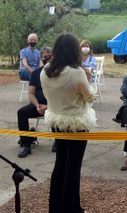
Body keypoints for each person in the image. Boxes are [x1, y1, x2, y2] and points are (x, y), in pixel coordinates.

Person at [41, 34, 96, 213]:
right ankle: (71, 208)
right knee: (73, 168)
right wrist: (87, 78)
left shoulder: (45, 70)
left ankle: (55, 207)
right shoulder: (77, 72)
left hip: (56, 121)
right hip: (77, 124)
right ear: (75, 50)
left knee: (60, 164)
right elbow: (90, 98)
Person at [17, 47, 53, 158]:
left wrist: (48, 107)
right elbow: (31, 94)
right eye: (44, 57)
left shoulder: (59, 73)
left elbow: (62, 96)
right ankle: (26, 144)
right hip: (39, 106)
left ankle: (59, 140)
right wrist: (37, 105)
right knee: (21, 112)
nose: (47, 58)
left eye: (49, 56)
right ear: (41, 58)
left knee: (60, 114)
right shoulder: (36, 73)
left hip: (55, 107)